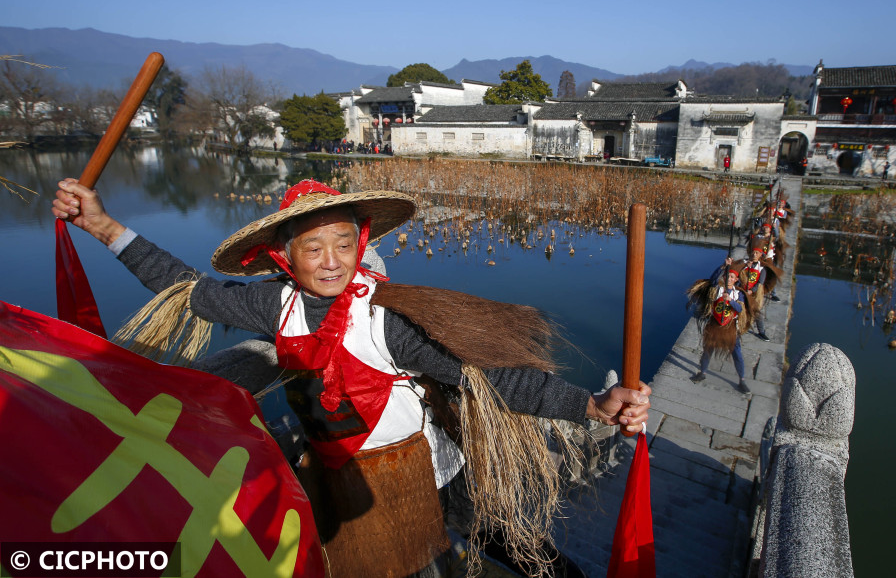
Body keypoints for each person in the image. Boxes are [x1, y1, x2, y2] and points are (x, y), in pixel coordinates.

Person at [53, 178, 651, 577]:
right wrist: (105, 227)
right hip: (338, 473)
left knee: (437, 555)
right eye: (314, 249)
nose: (333, 260)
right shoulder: (274, 307)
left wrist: (592, 405)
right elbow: (187, 290)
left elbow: (488, 378)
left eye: (345, 243)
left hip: (418, 470)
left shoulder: (384, 322)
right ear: (284, 257)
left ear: (361, 244)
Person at [687, 259, 752, 394]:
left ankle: (742, 380)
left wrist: (730, 301)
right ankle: (702, 372)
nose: (729, 279)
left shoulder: (738, 294)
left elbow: (740, 309)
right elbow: (712, 280)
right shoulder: (718, 290)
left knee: (737, 354)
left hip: (730, 328)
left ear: (736, 280)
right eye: (728, 276)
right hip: (715, 325)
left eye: (732, 277)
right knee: (707, 350)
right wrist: (723, 266)